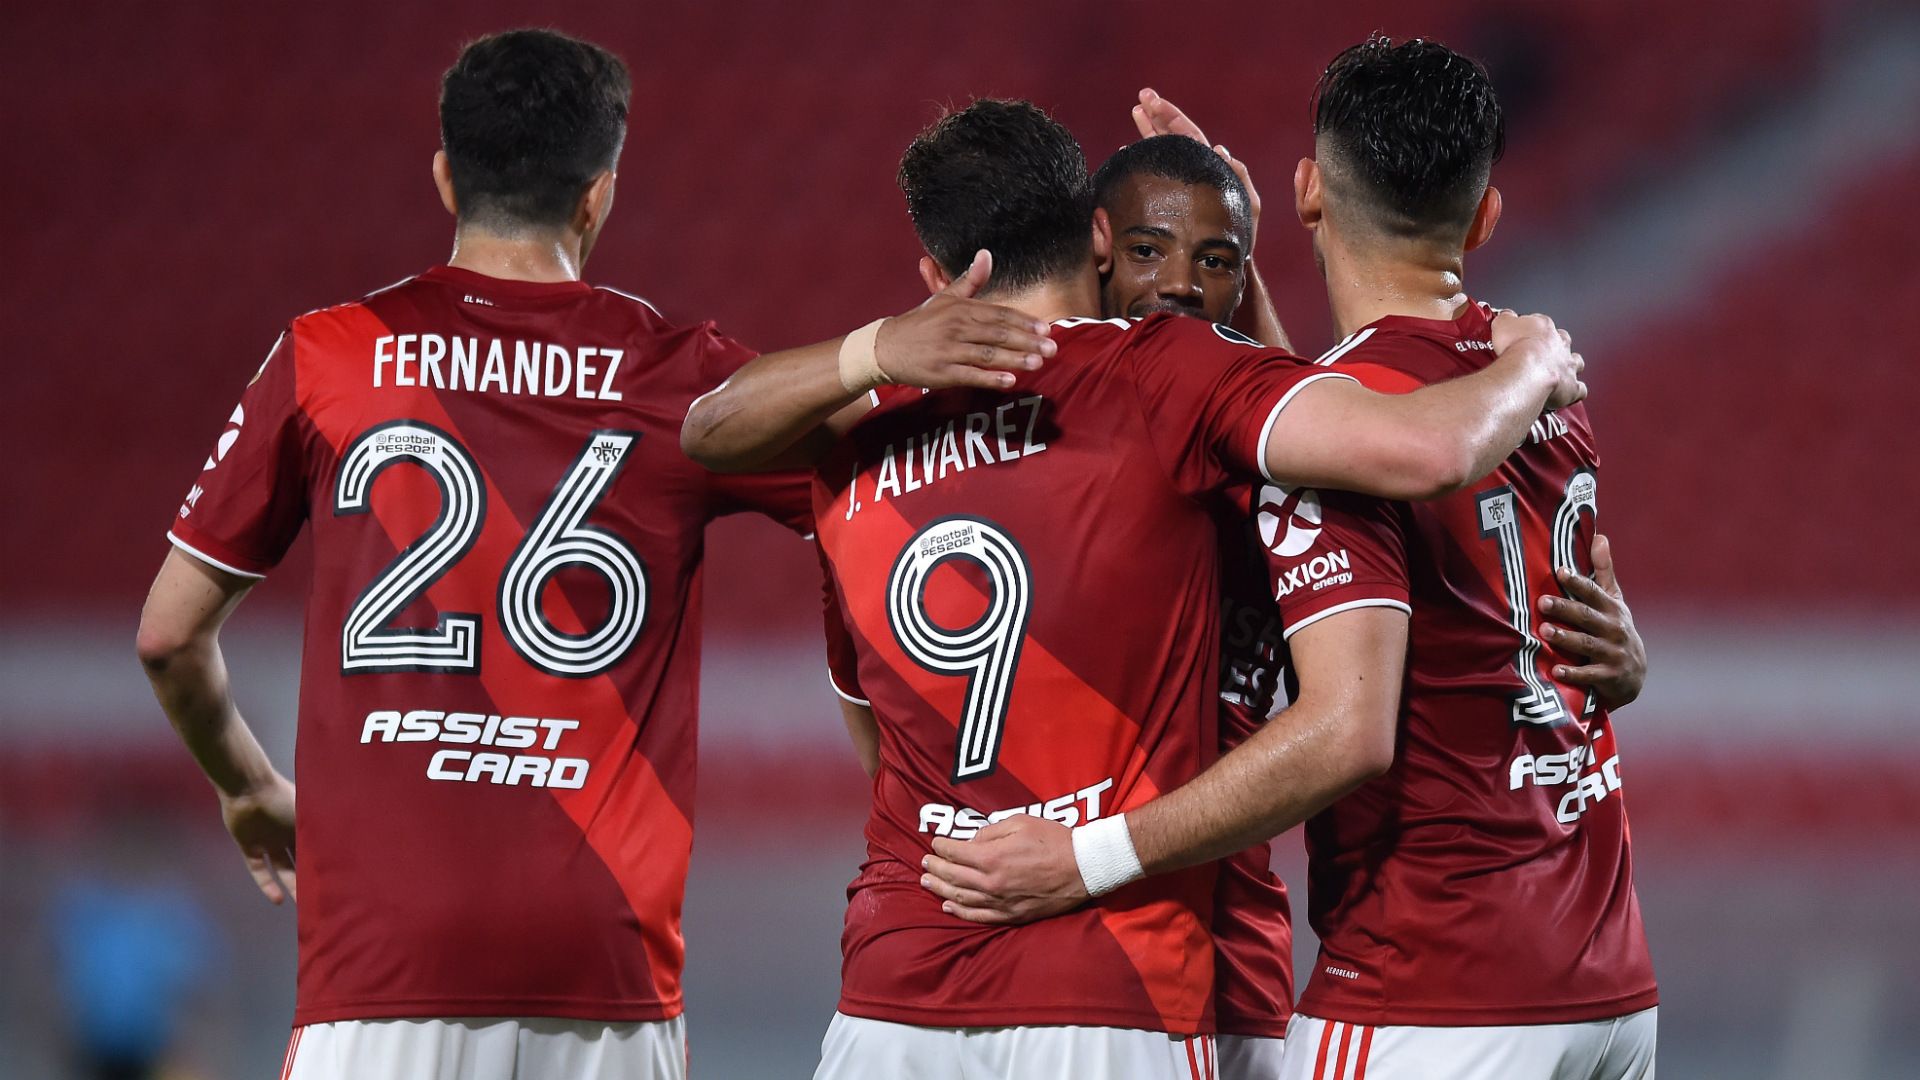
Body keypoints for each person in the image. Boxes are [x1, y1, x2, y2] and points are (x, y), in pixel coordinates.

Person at [681, 97, 1584, 1077]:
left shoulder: (852, 440)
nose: (1181, 288)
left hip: (899, 983)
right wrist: (1534, 358)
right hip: (1136, 972)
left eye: (1212, 260)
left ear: (937, 279)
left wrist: (870, 352)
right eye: (1156, 252)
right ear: (1097, 236)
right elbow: (1420, 447)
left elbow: (708, 435)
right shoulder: (1165, 379)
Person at [922, 40, 1658, 1080]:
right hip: (1607, 978)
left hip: (1439, 990)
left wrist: (1083, 858)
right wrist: (1632, 667)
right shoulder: (1528, 382)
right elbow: (1324, 428)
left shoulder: (1401, 416)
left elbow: (1344, 733)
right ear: (1484, 217)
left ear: (1309, 192)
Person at [136, 29, 827, 1079]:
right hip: (606, 972)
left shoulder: (329, 354)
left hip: (377, 976)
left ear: (447, 176)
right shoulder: (682, 377)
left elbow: (168, 638)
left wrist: (246, 785)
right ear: (598, 194)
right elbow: (892, 501)